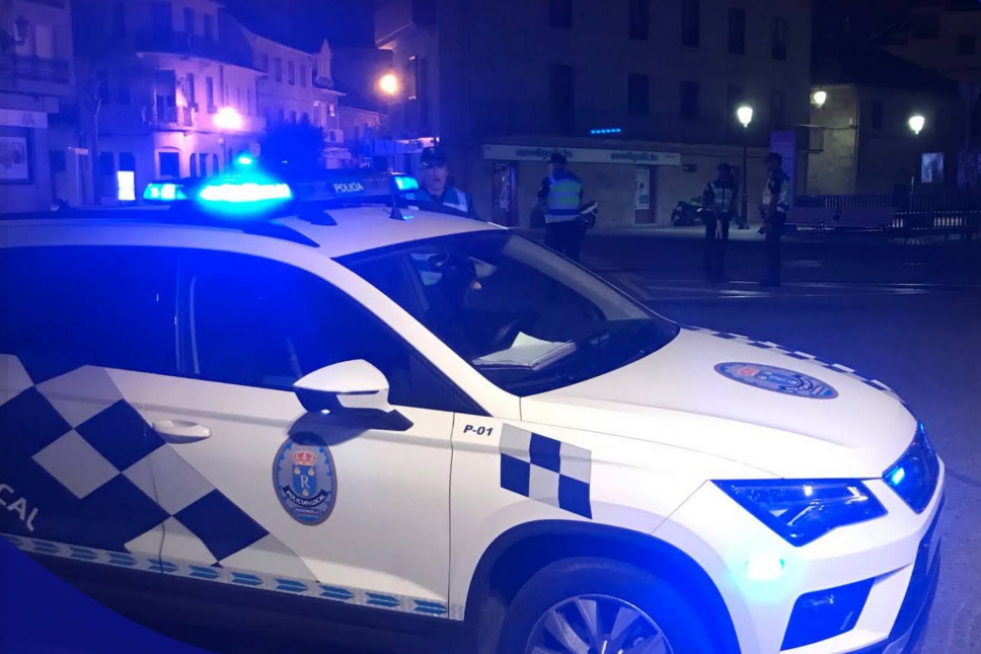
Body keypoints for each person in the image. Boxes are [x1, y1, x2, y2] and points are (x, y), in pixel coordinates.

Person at [406, 146, 481, 220]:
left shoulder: (463, 199)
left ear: (446, 171)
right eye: (430, 167)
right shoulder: (409, 200)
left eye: (440, 166)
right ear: (422, 171)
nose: (436, 172)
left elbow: (476, 225)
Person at [538, 153, 585, 262]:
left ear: (555, 164)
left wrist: (540, 209)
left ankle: (555, 278)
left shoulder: (549, 180)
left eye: (550, 164)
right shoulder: (576, 180)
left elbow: (540, 200)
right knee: (572, 254)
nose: (549, 166)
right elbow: (579, 199)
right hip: (573, 222)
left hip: (554, 223)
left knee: (554, 256)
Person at [701, 163, 738, 283]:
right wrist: (714, 211)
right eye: (721, 171)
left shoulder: (732, 186)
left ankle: (719, 273)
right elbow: (706, 201)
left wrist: (731, 214)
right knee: (710, 246)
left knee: (721, 247)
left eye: (725, 171)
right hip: (713, 219)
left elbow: (732, 202)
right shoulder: (712, 185)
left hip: (724, 219)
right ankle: (709, 273)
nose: (723, 173)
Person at [759, 152, 791, 287]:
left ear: (776, 162)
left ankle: (773, 278)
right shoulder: (781, 177)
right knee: (774, 247)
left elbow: (774, 199)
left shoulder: (776, 178)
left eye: (769, 162)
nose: (767, 165)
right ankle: (773, 277)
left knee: (772, 248)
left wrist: (767, 220)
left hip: (775, 215)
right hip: (778, 214)